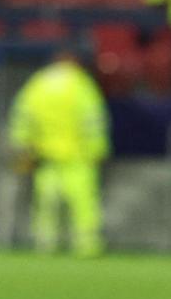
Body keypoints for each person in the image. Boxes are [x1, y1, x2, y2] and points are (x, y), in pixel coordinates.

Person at [7, 46, 110, 257]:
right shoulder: (81, 84)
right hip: (78, 156)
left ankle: (46, 244)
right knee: (83, 203)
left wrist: (22, 145)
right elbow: (93, 120)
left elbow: (23, 115)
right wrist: (98, 148)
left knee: (46, 202)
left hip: (46, 155)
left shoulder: (38, 83)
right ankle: (87, 246)